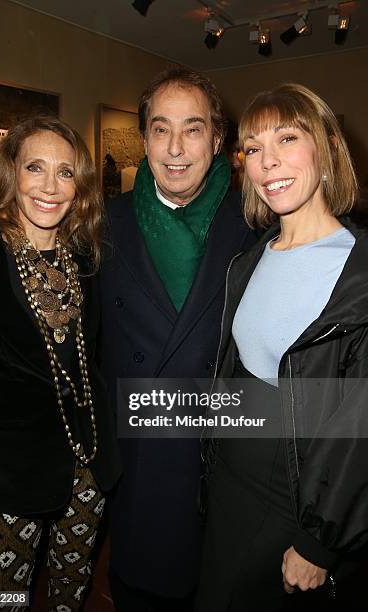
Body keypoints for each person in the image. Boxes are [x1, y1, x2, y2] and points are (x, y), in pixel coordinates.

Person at [197, 83, 368, 611]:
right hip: (228, 475)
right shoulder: (249, 260)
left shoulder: (359, 272)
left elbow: (359, 423)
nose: (268, 162)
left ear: (328, 146)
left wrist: (321, 539)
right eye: (253, 148)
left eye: (287, 138)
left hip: (299, 493)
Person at [99, 67, 258, 611]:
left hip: (217, 470)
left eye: (192, 129)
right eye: (159, 128)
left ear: (218, 140)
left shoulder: (258, 226)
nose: (174, 148)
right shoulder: (102, 224)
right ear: (143, 137)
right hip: (136, 467)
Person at [0, 116, 121, 610]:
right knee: (0, 601)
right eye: (36, 168)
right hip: (12, 476)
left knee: (71, 595)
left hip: (89, 465)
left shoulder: (86, 259)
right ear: (11, 175)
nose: (50, 187)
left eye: (66, 172)